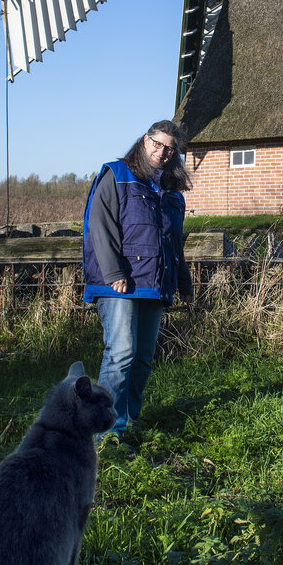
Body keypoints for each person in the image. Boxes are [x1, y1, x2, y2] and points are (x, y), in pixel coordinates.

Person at [82, 120, 193, 451]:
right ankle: (106, 431)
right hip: (118, 283)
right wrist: (114, 271)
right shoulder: (116, 174)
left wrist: (182, 281)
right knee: (121, 353)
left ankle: (129, 420)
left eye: (169, 149)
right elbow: (99, 225)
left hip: (154, 285)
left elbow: (173, 243)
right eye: (157, 145)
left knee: (143, 357)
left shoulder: (171, 194)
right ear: (145, 142)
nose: (162, 153)